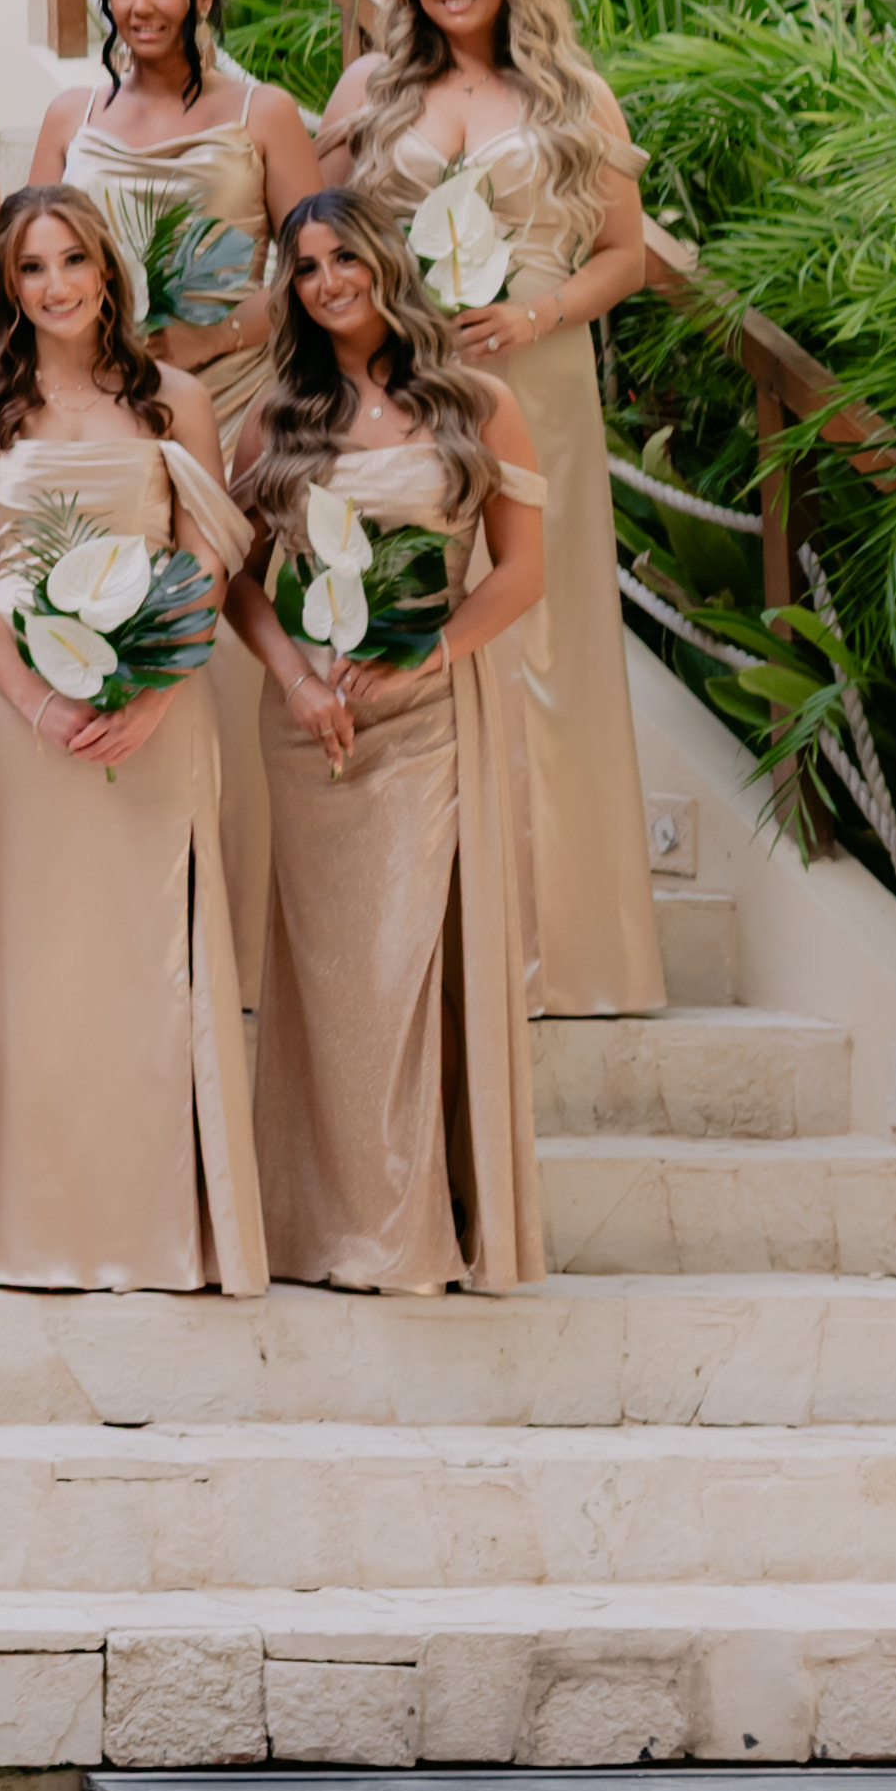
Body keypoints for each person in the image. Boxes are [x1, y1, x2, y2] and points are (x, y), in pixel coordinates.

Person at [316, 0, 673, 1019]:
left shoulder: (570, 92)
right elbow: (318, 238)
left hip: (539, 374)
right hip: (408, 388)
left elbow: (627, 252)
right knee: (420, 615)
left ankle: (566, 949)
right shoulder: (371, 89)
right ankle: (424, 932)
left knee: (545, 637)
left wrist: (541, 311)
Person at [0, 186, 265, 1296]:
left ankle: (160, 1224)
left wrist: (159, 688)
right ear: (7, 285)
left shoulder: (172, 397)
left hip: (156, 705)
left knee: (150, 956)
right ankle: (32, 1223)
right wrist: (30, 699)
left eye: (73, 258)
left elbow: (210, 554)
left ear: (108, 268)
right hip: (24, 718)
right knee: (41, 957)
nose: (57, 282)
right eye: (31, 266)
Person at [232, 190, 554, 1294]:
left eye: (343, 256)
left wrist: (430, 654)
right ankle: (323, 1222)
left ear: (383, 259)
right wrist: (291, 675)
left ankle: (410, 1223)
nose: (328, 279)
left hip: (427, 712)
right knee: (331, 977)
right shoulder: (277, 417)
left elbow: (519, 570)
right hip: (311, 724)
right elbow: (235, 578)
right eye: (305, 264)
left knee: (401, 964)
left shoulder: (476, 400)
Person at [31, 0, 325, 958]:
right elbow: (30, 261)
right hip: (100, 420)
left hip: (233, 405)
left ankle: (237, 927)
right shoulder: (73, 117)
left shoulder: (264, 116)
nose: (139, 4)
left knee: (221, 647)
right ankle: (122, 912)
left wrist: (209, 339)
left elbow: (319, 265)